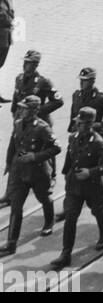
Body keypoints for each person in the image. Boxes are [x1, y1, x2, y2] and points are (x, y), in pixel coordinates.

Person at [50, 106, 103, 267]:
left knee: (98, 210)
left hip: (93, 186)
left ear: (90, 124)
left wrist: (91, 172)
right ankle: (66, 253)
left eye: (81, 123)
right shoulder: (73, 137)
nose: (77, 125)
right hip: (75, 187)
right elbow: (70, 158)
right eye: (77, 123)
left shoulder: (99, 142)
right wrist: (65, 173)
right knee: (70, 218)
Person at [0, 95, 59, 256]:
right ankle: (11, 243)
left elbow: (56, 148)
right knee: (16, 207)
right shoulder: (18, 123)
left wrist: (35, 156)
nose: (20, 111)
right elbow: (13, 145)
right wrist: (8, 163)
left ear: (33, 110)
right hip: (20, 172)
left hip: (38, 172)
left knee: (44, 198)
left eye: (24, 109)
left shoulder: (43, 127)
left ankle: (49, 221)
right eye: (20, 108)